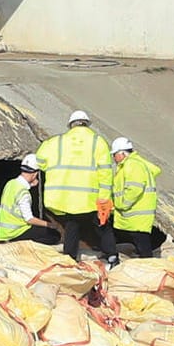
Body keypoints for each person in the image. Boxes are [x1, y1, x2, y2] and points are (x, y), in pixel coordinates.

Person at [35, 109, 118, 264]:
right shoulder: (98, 142)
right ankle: (112, 256)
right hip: (91, 198)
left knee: (72, 227)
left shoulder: (55, 142)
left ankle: (70, 258)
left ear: (71, 125)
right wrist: (104, 198)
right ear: (87, 124)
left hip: (67, 200)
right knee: (103, 227)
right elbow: (106, 172)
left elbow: (39, 161)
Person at [108, 137, 161, 259]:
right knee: (140, 240)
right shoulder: (133, 164)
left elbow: (135, 188)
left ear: (122, 153)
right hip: (137, 212)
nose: (114, 158)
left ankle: (147, 266)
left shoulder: (132, 165)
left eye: (114, 155)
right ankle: (145, 263)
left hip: (135, 212)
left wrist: (122, 204)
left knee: (142, 242)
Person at [0, 153, 60, 245]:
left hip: (4, 232)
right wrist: (50, 225)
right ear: (35, 174)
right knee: (54, 235)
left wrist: (30, 185)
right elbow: (29, 219)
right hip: (16, 232)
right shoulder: (24, 193)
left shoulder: (11, 183)